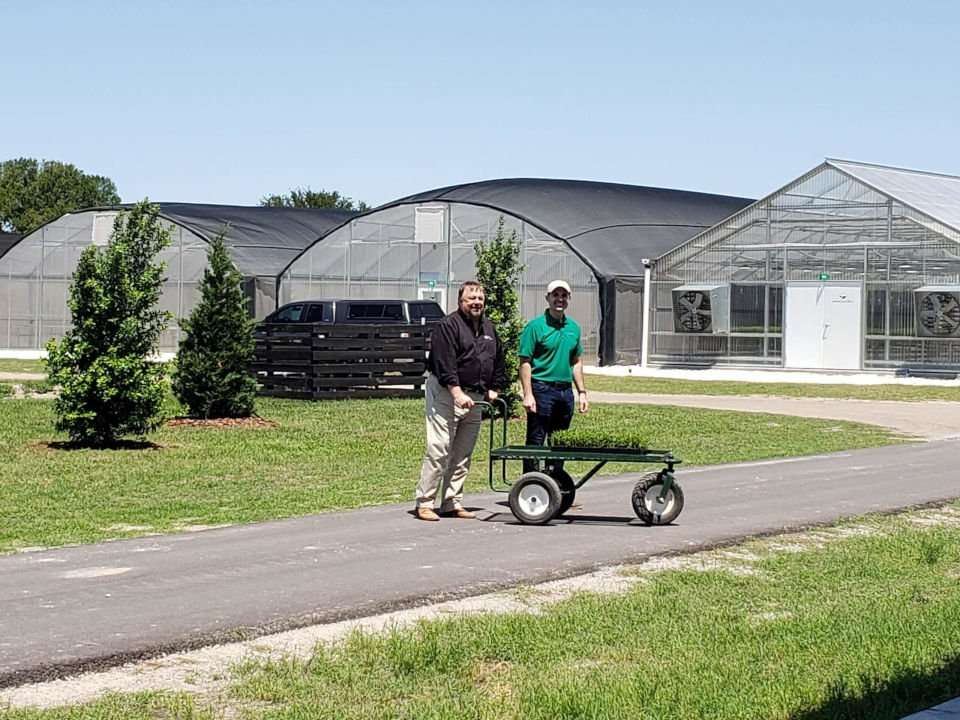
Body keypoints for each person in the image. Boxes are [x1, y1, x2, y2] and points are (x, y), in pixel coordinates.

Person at [415, 280, 506, 521]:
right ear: (460, 301)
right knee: (440, 448)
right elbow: (445, 363)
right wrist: (456, 393)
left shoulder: (489, 328)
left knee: (463, 451)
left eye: (480, 299)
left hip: (474, 396)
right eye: (471, 299)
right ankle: (425, 502)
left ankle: (451, 502)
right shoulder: (448, 326)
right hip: (446, 393)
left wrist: (494, 388)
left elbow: (498, 359)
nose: (476, 303)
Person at [518, 279, 589, 473]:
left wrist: (581, 392)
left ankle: (555, 483)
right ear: (547, 298)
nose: (559, 299)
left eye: (563, 295)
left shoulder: (573, 328)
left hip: (565, 391)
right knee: (536, 439)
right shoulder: (535, 327)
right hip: (541, 388)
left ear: (568, 299)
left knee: (559, 441)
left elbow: (576, 362)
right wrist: (528, 394)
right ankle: (531, 484)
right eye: (555, 295)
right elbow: (525, 362)